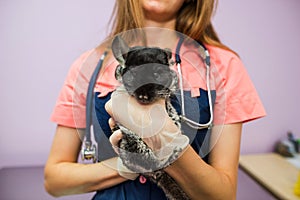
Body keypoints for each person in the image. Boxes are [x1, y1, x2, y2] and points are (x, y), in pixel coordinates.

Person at [44, 0, 266, 199]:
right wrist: (131, 163)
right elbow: (55, 181)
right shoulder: (89, 67)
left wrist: (165, 142)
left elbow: (223, 195)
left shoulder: (223, 66)